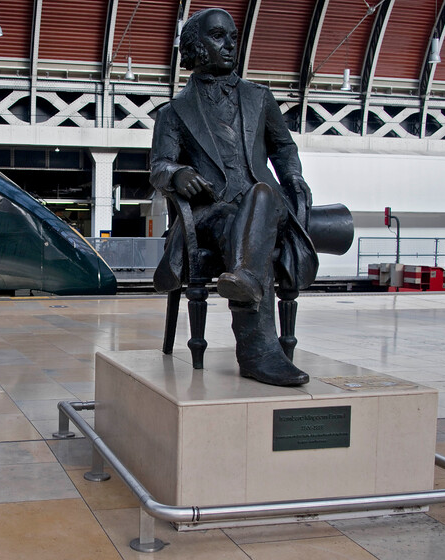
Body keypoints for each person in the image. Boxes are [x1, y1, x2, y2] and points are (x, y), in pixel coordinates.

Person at [150, 8, 316, 386]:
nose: (230, 45)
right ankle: (259, 352)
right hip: (212, 214)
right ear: (195, 46)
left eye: (233, 37)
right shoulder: (173, 111)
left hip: (263, 204)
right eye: (219, 36)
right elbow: (158, 165)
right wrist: (178, 173)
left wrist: (293, 176)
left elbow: (283, 148)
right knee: (250, 216)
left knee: (262, 194)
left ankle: (244, 276)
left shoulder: (260, 98)